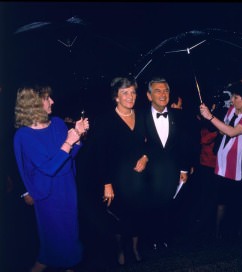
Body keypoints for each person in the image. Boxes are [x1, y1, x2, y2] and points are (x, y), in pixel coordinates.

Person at [13, 85, 89, 272]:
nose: (52, 101)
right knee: (53, 248)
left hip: (67, 189)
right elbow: (49, 167)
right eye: (48, 98)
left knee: (70, 242)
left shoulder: (57, 123)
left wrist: (79, 136)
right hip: (48, 196)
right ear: (34, 104)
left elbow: (68, 156)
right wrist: (69, 141)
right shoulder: (24, 136)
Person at [93, 76, 148, 266]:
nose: (130, 96)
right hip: (116, 179)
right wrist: (107, 184)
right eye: (125, 92)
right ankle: (120, 250)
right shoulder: (105, 121)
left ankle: (134, 247)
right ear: (116, 97)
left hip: (139, 177)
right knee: (119, 218)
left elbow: (151, 144)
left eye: (133, 92)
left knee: (139, 214)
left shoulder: (142, 116)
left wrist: (145, 157)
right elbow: (101, 155)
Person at [200, 80, 242, 239]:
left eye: (236, 97)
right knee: (222, 199)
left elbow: (233, 132)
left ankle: (239, 233)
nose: (232, 100)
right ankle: (217, 232)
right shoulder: (230, 111)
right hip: (223, 164)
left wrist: (211, 117)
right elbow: (223, 131)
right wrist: (211, 118)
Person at [143, 77, 191, 250]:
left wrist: (184, 169)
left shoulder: (179, 116)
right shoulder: (140, 116)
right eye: (158, 90)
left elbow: (185, 144)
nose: (163, 94)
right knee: (150, 205)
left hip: (172, 169)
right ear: (149, 96)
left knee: (168, 204)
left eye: (165, 90)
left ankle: (164, 237)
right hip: (149, 171)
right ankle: (151, 239)